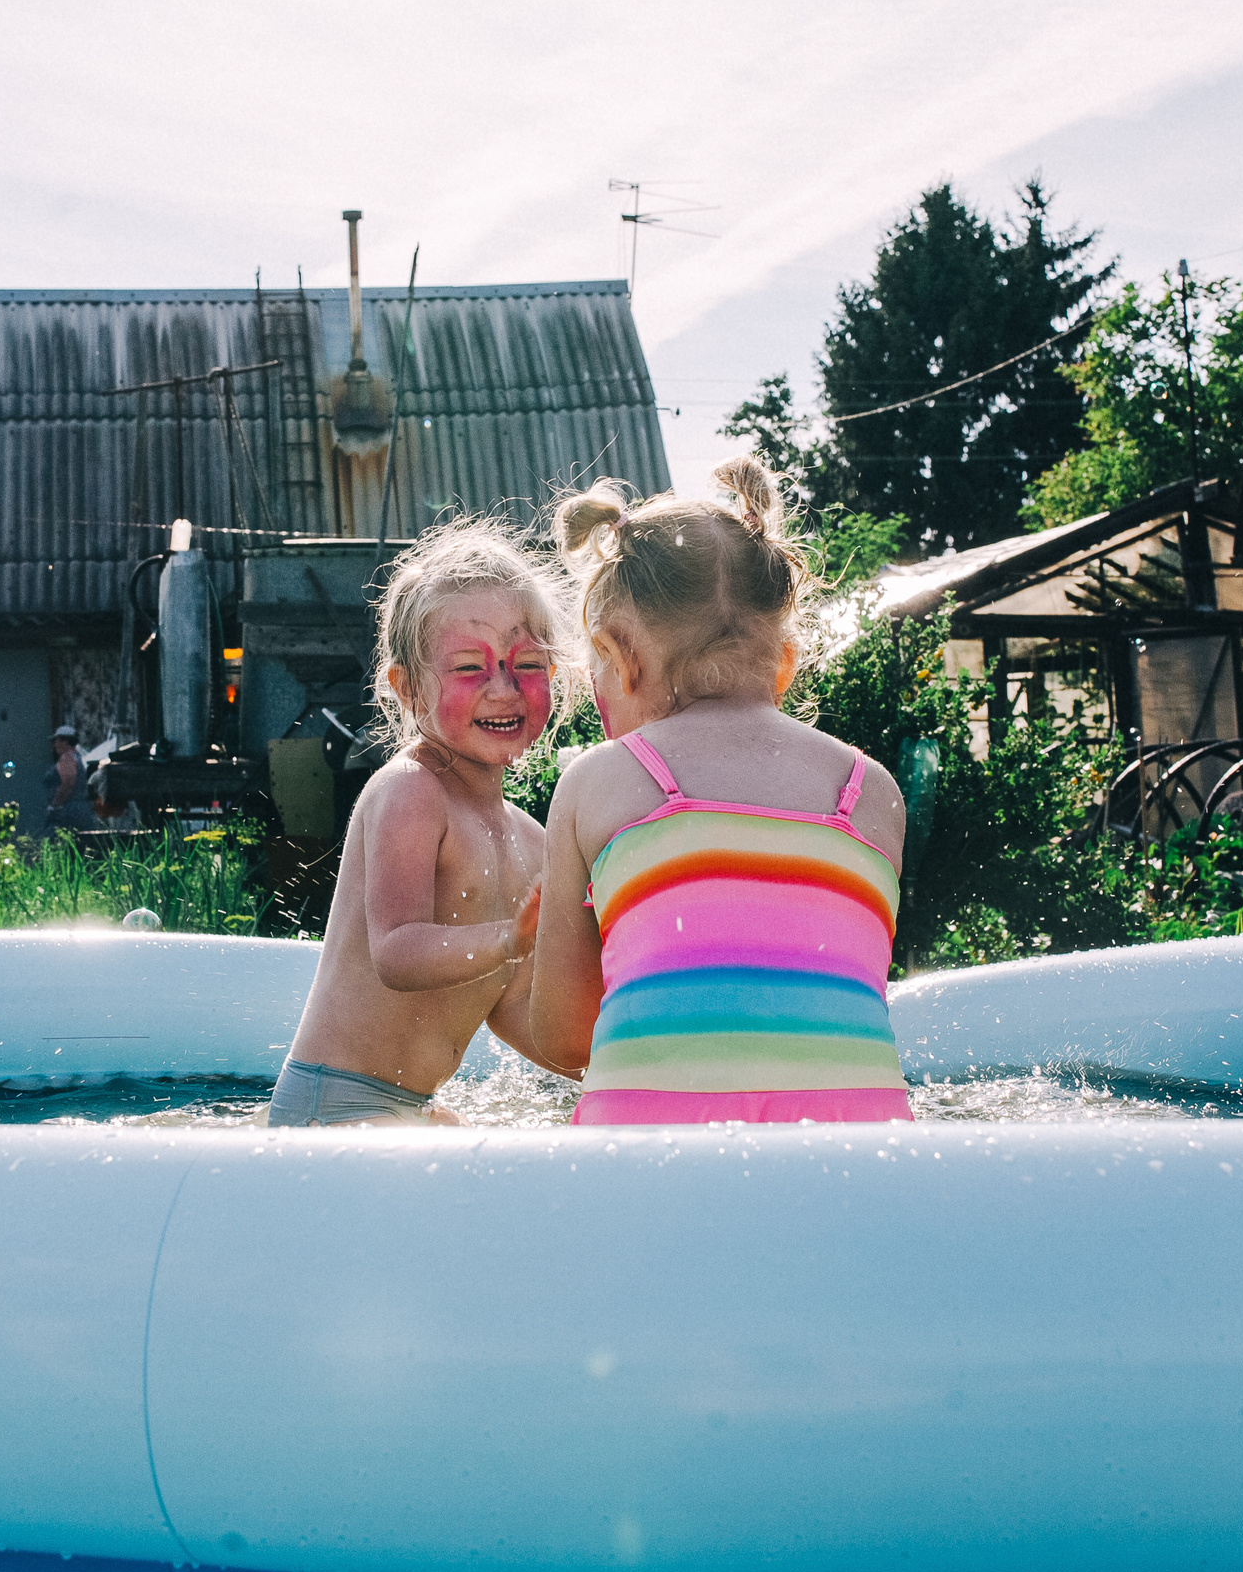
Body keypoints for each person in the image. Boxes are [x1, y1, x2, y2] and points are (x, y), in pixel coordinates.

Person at [531, 458, 914, 1125]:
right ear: (785, 662)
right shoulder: (872, 792)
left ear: (619, 658)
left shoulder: (597, 783)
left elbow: (564, 1039)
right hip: (859, 1177)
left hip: (648, 1174)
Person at [268, 523, 572, 1126]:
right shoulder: (412, 792)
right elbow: (398, 952)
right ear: (406, 688)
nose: (504, 689)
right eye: (469, 667)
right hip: (333, 1104)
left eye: (528, 664)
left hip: (405, 1109)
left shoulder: (531, 839)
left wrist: (616, 1064)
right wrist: (508, 939)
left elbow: (510, 1008)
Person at [43, 725, 99, 835]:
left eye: (56, 740)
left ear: (65, 741)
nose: (54, 745)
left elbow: (68, 782)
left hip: (68, 811)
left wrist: (55, 805)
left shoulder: (67, 758)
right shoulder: (77, 757)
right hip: (79, 809)